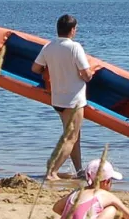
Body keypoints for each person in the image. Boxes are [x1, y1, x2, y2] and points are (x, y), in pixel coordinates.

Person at [33, 14, 97, 181]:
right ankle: (52, 172)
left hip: (58, 100)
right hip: (73, 100)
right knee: (71, 137)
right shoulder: (75, 47)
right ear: (73, 30)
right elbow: (86, 74)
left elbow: (35, 68)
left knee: (75, 135)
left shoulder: (49, 46)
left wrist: (48, 71)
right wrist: (90, 74)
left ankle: (79, 170)